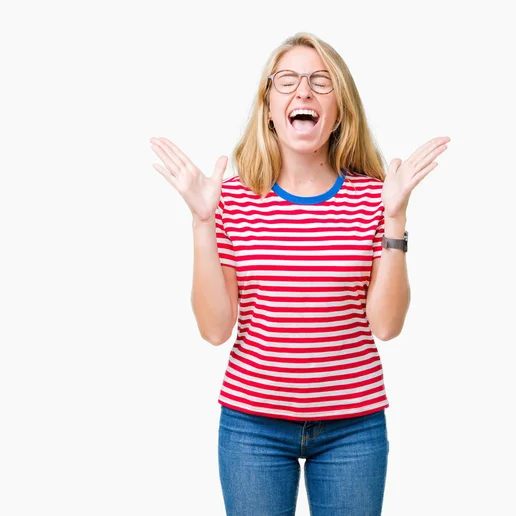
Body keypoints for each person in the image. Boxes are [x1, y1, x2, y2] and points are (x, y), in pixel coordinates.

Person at [150, 31, 450, 516]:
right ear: (269, 107)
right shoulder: (233, 201)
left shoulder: (375, 200)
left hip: (353, 427)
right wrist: (203, 223)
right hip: (253, 427)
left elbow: (387, 327)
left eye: (320, 81)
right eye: (286, 80)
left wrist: (395, 220)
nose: (303, 92)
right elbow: (214, 330)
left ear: (339, 112)